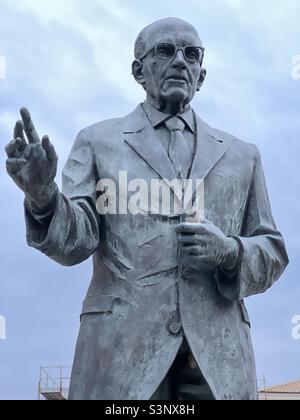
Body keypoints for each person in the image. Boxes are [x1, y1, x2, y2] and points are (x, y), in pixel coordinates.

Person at [5, 18, 289, 400]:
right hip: (119, 354)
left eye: (191, 54)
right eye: (165, 51)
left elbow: (272, 248)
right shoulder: (97, 141)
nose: (179, 61)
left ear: (201, 75)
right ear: (138, 69)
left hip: (217, 360)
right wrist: (43, 198)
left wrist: (229, 252)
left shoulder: (243, 156)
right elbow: (77, 241)